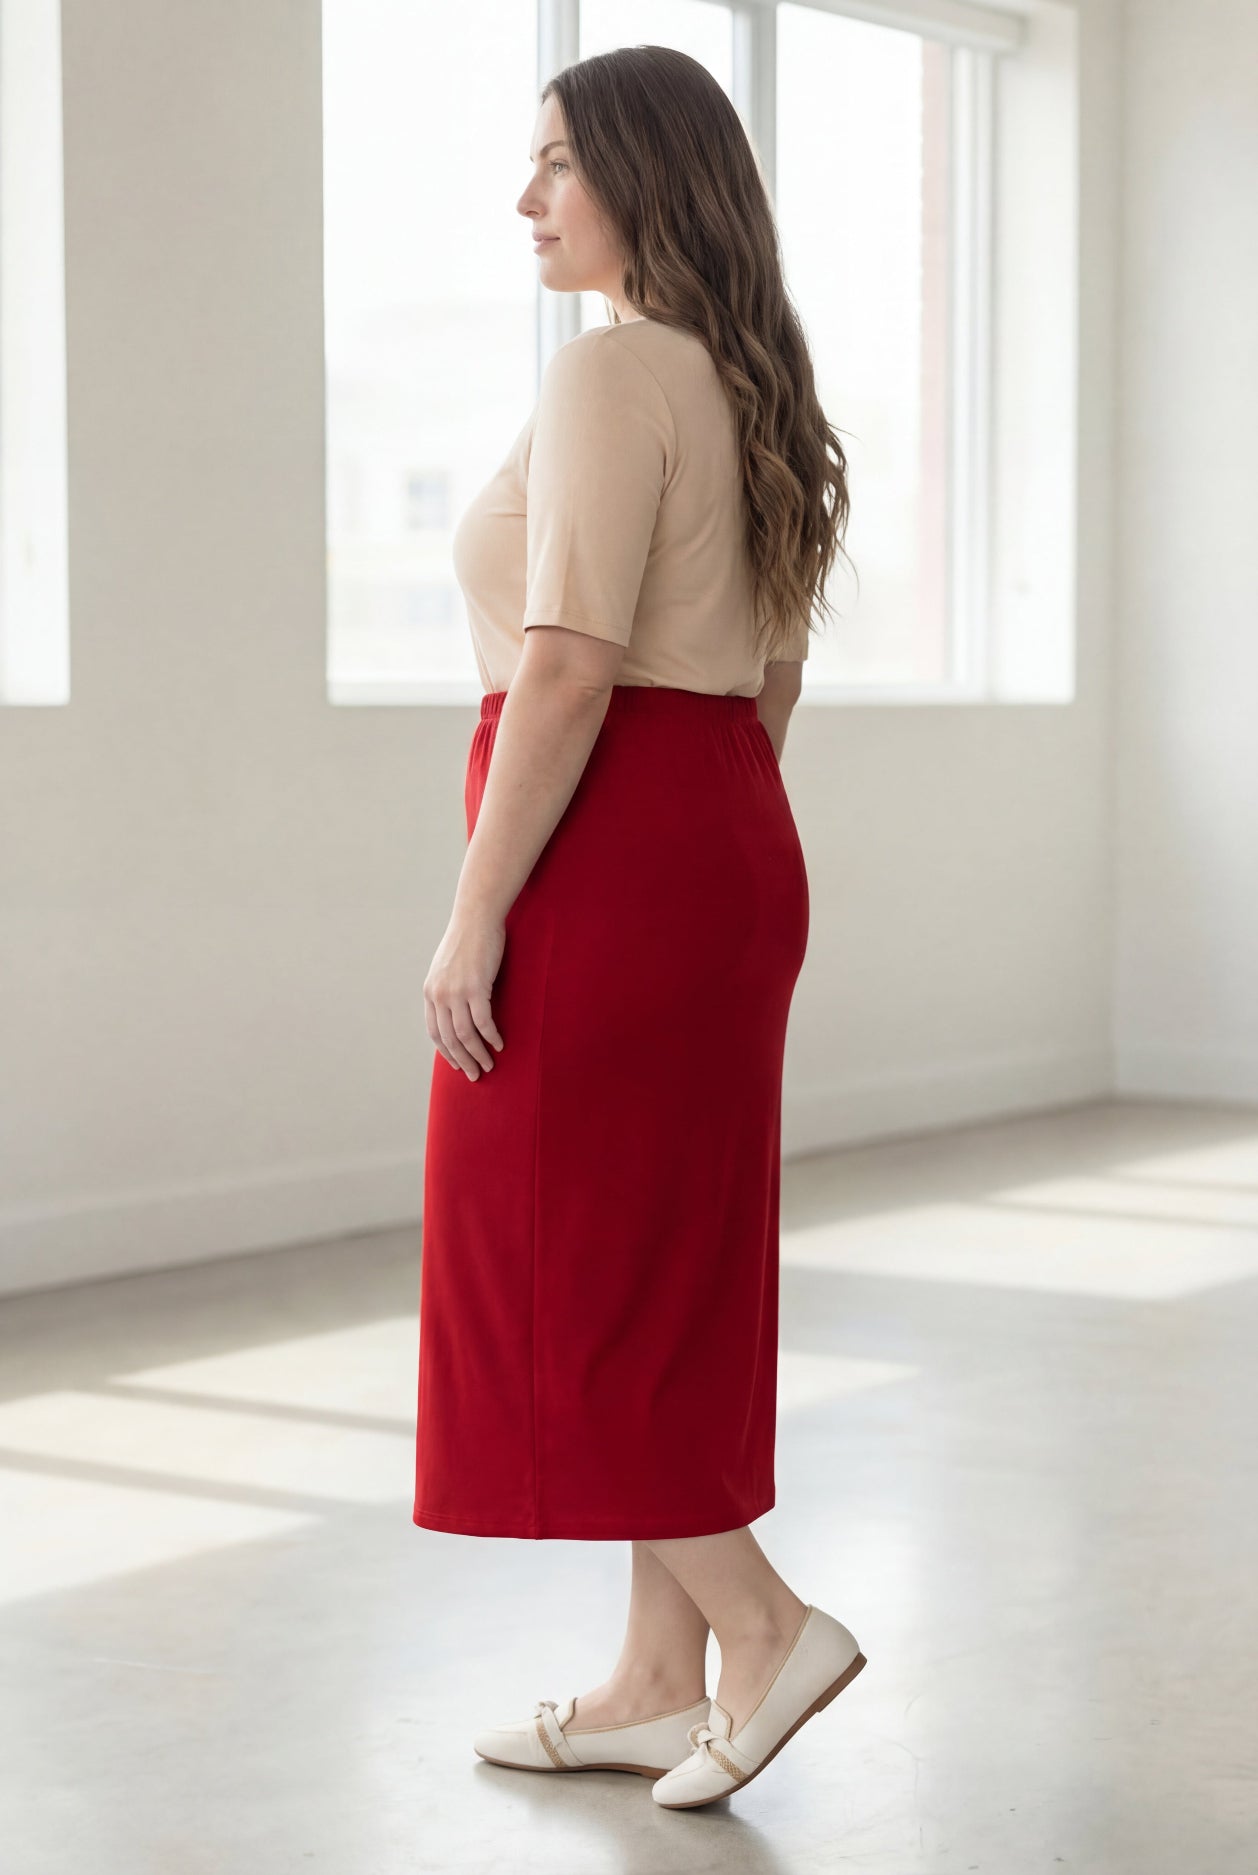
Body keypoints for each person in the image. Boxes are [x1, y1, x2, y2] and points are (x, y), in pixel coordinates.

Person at [413, 45, 865, 1810]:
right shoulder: (752, 386)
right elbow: (769, 676)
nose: (526, 202)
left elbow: (568, 661)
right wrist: (696, 845)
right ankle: (645, 1677)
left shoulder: (612, 373)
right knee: (662, 1262)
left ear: (642, 177)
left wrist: (478, 911)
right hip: (722, 839)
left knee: (568, 1267)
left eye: (553, 167)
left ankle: (760, 1629)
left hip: (613, 853)